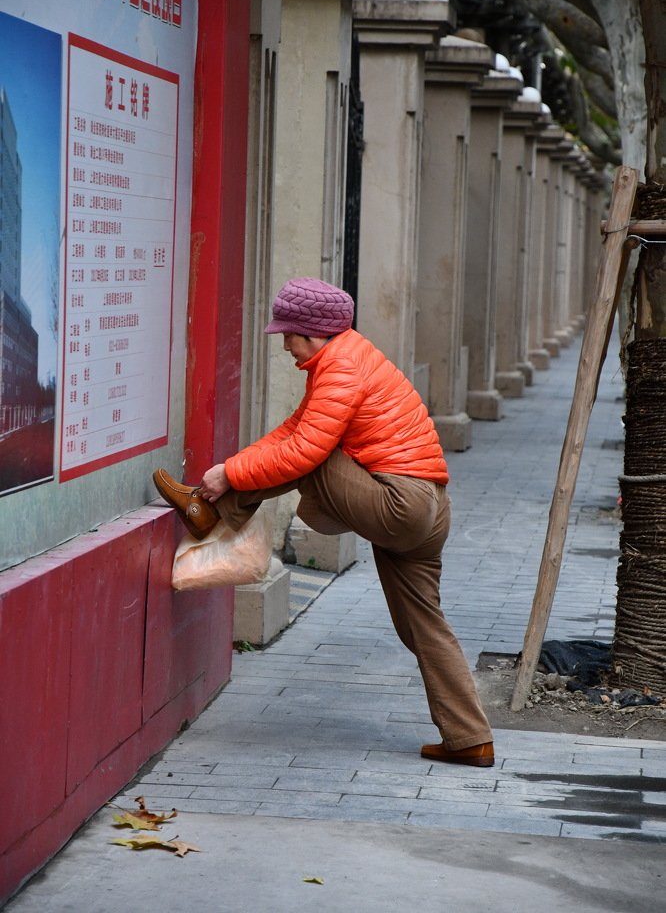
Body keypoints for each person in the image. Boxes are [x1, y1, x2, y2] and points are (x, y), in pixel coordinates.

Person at [154, 277, 494, 767]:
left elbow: (305, 450)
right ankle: (470, 738)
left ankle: (208, 513)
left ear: (311, 333)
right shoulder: (345, 358)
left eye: (288, 335)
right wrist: (231, 469)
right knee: (423, 627)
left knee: (314, 455)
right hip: (429, 506)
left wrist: (229, 474)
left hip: (400, 503)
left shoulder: (341, 368)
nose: (285, 345)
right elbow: (293, 428)